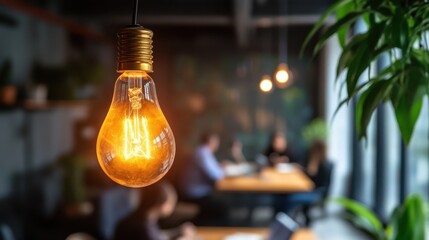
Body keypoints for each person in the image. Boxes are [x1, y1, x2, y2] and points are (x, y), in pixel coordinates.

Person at [114, 181, 195, 240]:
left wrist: (178, 232)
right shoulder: (144, 229)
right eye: (171, 202)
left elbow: (158, 236)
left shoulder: (137, 219)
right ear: (162, 204)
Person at [179, 131, 228, 225]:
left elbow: (213, 169)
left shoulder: (204, 151)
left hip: (198, 190)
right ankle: (211, 232)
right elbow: (215, 175)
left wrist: (219, 166)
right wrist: (223, 170)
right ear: (212, 141)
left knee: (221, 202)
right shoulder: (202, 152)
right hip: (194, 193)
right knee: (223, 206)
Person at [285, 140, 333, 225]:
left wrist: (309, 167)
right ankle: (293, 218)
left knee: (290, 198)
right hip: (310, 189)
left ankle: (288, 220)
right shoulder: (317, 161)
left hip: (315, 192)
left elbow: (312, 179)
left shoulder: (322, 164)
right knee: (288, 195)